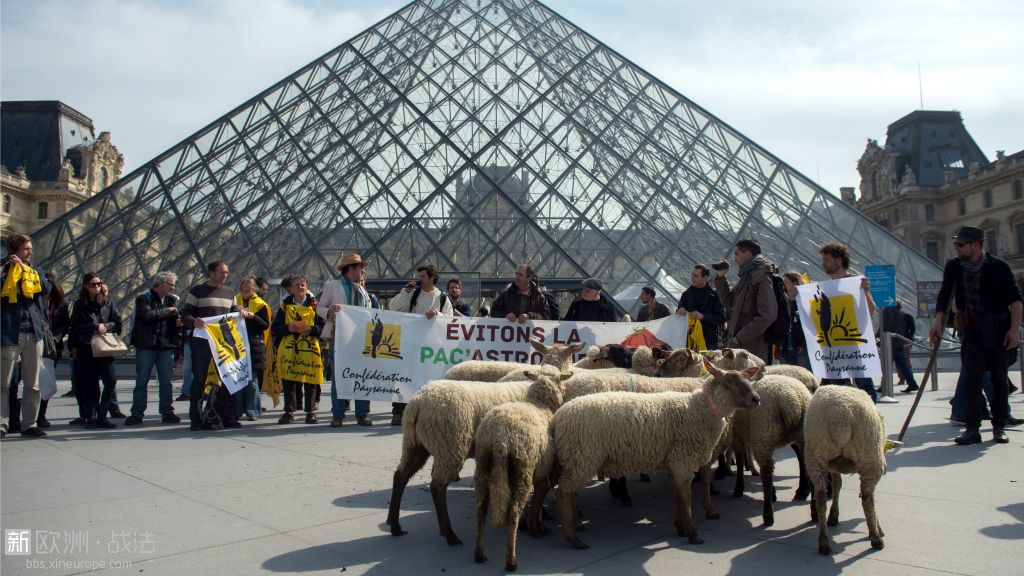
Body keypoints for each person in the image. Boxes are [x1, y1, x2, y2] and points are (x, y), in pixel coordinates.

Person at [930, 226, 1022, 445]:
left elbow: (1016, 301)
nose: (956, 248)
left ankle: (999, 427)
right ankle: (972, 429)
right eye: (956, 244)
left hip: (997, 330)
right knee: (972, 379)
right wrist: (938, 320)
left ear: (976, 245)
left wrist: (1014, 330)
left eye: (960, 244)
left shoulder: (998, 267)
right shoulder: (954, 267)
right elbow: (944, 295)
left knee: (999, 380)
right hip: (971, 329)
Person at [181, 260, 247, 431]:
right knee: (199, 380)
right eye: (221, 272)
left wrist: (239, 311)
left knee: (227, 379)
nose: (225, 275)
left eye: (226, 272)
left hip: (223, 344)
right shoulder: (197, 291)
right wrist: (193, 321)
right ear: (211, 273)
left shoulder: (229, 292)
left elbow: (232, 313)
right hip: (202, 343)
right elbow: (185, 314)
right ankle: (195, 418)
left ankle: (226, 416)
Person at [1, 234, 52, 438]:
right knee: (3, 384)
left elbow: (46, 288)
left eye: (30, 248)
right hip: (8, 333)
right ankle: (2, 424)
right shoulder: (3, 272)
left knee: (33, 383)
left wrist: (24, 269)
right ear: (14, 251)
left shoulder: (33, 271)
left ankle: (29, 424)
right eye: (26, 249)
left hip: (33, 333)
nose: (30, 251)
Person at [390, 264, 453, 425]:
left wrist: (437, 314)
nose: (419, 279)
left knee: (428, 379)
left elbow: (450, 319)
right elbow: (394, 307)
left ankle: (426, 412)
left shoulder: (442, 298)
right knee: (404, 377)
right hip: (411, 342)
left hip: (431, 346)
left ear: (432, 278)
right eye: (419, 276)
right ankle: (398, 411)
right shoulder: (413, 293)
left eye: (423, 276)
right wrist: (405, 292)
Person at [817, 241, 878, 403]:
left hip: (854, 344)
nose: (823, 263)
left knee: (865, 387)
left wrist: (865, 291)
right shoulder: (825, 287)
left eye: (826, 259)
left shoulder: (857, 283)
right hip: (832, 346)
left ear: (839, 260)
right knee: (838, 391)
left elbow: (870, 311)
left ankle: (871, 419)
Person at [318, 253, 374, 427]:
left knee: (364, 375)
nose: (363, 272)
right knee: (339, 376)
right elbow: (319, 307)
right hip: (340, 336)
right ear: (350, 269)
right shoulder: (332, 286)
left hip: (361, 338)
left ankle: (362, 413)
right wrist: (329, 311)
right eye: (360, 268)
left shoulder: (363, 291)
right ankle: (338, 414)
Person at [126, 271, 183, 425]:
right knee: (142, 381)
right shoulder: (143, 298)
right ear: (159, 284)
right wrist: (168, 311)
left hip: (165, 346)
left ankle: (167, 412)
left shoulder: (171, 300)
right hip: (146, 346)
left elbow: (173, 321)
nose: (172, 288)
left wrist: (178, 323)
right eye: (169, 284)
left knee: (166, 382)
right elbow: (147, 316)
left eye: (173, 285)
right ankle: (136, 413)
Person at [69, 272, 121, 429]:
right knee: (90, 383)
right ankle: (91, 417)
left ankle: (102, 414)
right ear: (86, 286)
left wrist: (106, 326)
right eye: (93, 284)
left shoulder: (107, 302)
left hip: (104, 347)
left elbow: (117, 322)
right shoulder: (80, 304)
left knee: (111, 379)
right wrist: (94, 326)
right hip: (86, 347)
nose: (97, 287)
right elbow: (75, 326)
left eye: (98, 284)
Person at [273, 275, 325, 424]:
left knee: (311, 379)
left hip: (309, 348)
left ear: (307, 288)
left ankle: (310, 411)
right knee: (289, 379)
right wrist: (289, 328)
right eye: (297, 285)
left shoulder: (315, 305)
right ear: (292, 289)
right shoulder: (284, 306)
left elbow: (322, 327)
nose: (300, 288)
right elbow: (275, 328)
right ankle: (289, 411)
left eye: (303, 285)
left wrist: (312, 329)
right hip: (289, 348)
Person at [713, 240, 777, 363]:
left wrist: (741, 337)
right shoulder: (747, 276)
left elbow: (768, 313)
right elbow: (729, 303)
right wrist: (721, 277)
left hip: (751, 348)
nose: (734, 258)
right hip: (741, 346)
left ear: (747, 254)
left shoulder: (761, 276)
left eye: (737, 254)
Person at [234, 277, 270, 421]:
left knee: (252, 380)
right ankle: (236, 409)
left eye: (248, 290)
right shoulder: (235, 302)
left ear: (254, 290)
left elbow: (265, 324)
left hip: (253, 345)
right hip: (236, 345)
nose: (245, 293)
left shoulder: (260, 305)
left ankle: (252, 410)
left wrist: (251, 316)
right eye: (243, 290)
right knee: (237, 378)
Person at [677, 264, 727, 350]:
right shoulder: (686, 294)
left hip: (708, 342)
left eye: (696, 276)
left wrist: (703, 316)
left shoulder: (714, 295)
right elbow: (678, 317)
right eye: (692, 274)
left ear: (705, 278)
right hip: (689, 341)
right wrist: (679, 311)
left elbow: (721, 318)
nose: (692, 278)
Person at [778, 271, 810, 369]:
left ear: (795, 283)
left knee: (805, 377)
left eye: (786, 281)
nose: (783, 284)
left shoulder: (805, 302)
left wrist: (802, 344)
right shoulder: (781, 302)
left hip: (800, 349)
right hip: (784, 348)